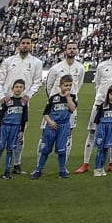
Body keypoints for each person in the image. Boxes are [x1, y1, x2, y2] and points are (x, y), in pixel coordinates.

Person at [0, 35, 42, 176]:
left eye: (28, 43)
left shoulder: (37, 62)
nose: (25, 45)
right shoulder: (8, 61)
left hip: (22, 104)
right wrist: (2, 97)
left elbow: (38, 82)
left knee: (20, 135)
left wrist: (28, 96)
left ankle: (16, 165)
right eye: (23, 43)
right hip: (5, 104)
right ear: (18, 45)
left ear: (31, 46)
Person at [75, 42, 112, 174]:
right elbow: (98, 84)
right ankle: (86, 163)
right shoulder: (102, 66)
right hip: (100, 103)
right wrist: (100, 99)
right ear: (110, 52)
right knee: (92, 132)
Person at [43, 39, 86, 168]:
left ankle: (63, 166)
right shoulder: (55, 68)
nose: (72, 50)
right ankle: (40, 165)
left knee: (69, 133)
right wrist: (55, 101)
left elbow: (79, 86)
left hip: (70, 106)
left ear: (76, 51)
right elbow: (48, 87)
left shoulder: (80, 68)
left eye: (74, 48)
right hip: (55, 107)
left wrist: (70, 99)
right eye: (69, 48)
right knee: (45, 133)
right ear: (65, 51)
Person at [31, 75, 77, 179]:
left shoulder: (72, 97)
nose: (68, 88)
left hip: (64, 126)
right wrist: (50, 122)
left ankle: (62, 170)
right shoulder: (53, 98)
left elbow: (72, 108)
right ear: (60, 86)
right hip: (52, 126)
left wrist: (68, 97)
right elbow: (45, 113)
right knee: (45, 149)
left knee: (62, 149)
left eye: (70, 85)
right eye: (66, 85)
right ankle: (38, 170)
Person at [0, 79, 28, 179]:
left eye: (21, 87)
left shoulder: (23, 103)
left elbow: (24, 119)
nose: (18, 89)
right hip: (4, 127)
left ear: (24, 89)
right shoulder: (7, 101)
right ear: (12, 88)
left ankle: (7, 171)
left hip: (15, 128)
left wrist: (22, 131)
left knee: (10, 150)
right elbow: (0, 116)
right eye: (16, 87)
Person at [93, 85, 112, 177]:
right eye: (111, 94)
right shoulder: (103, 105)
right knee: (100, 148)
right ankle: (96, 168)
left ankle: (102, 168)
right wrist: (98, 132)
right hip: (102, 127)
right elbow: (97, 120)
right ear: (108, 94)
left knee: (106, 149)